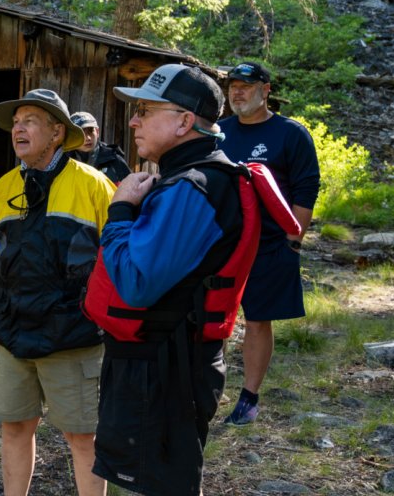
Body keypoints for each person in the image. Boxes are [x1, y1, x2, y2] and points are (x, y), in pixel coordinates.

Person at [87, 64, 262, 495]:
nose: (133, 120)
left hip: (163, 370)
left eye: (146, 110)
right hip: (161, 360)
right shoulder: (192, 177)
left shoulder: (193, 186)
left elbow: (136, 283)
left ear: (185, 121)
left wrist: (122, 209)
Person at [0, 89, 114, 496]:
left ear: (57, 133)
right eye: (15, 122)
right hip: (14, 332)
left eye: (29, 121)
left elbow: (117, 261)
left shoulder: (95, 186)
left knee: (83, 437)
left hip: (73, 335)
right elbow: (0, 256)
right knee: (15, 427)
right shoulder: (2, 187)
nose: (18, 128)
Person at [216, 62, 320, 425]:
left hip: (270, 244)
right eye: (233, 86)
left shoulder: (290, 134)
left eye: (246, 86)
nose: (237, 92)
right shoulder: (219, 132)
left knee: (258, 320)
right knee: (214, 317)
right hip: (222, 243)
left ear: (266, 90)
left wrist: (294, 238)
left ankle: (249, 397)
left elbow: (306, 188)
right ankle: (212, 386)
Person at [68, 111, 132, 183]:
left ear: (97, 132)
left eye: (90, 131)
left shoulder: (114, 159)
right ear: (71, 136)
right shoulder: (63, 161)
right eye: (81, 133)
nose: (88, 138)